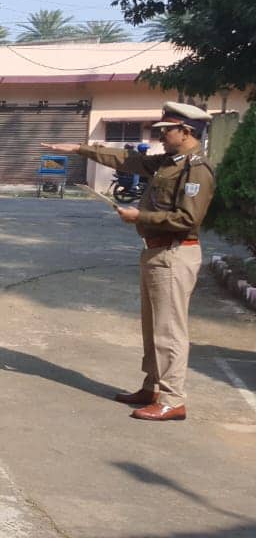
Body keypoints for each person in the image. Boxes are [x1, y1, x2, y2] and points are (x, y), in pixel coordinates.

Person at [42, 102, 216, 421]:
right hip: (156, 251)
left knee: (169, 330)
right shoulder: (169, 162)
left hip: (175, 252)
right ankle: (153, 387)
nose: (159, 135)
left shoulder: (195, 169)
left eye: (167, 131)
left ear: (187, 132)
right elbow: (126, 159)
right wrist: (81, 148)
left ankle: (173, 398)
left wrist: (141, 215)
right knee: (153, 327)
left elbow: (188, 218)